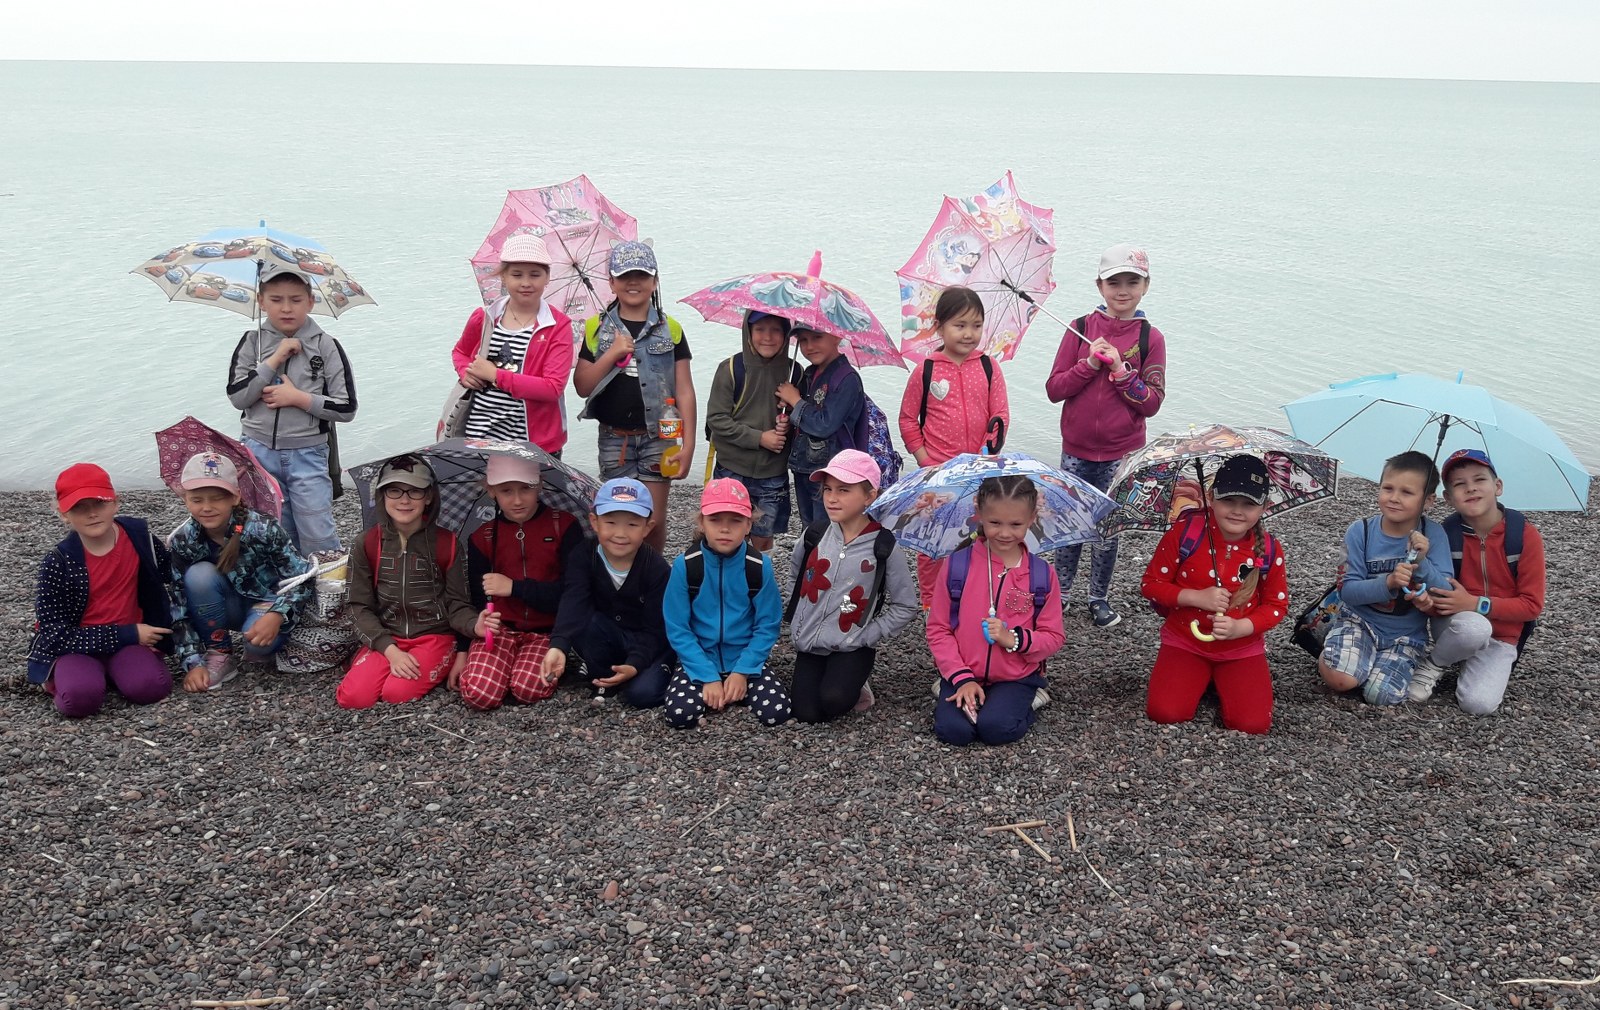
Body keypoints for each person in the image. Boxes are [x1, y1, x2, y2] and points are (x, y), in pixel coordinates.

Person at [1044, 244, 1167, 628]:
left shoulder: (1150, 338)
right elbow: (1054, 389)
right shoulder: (1079, 329)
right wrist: (1087, 365)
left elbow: (1151, 403)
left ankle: (1098, 597)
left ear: (1145, 286)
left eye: (1132, 281)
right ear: (1100, 286)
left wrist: (1119, 370)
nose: (1123, 290)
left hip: (1121, 453)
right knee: (1070, 524)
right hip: (1076, 450)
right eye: (1114, 282)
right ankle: (1061, 594)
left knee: (1107, 530)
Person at [1140, 455, 1289, 734]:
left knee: (1253, 725)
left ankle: (1215, 679)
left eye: (1249, 504)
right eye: (1228, 500)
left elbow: (1276, 605)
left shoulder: (1269, 549)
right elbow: (1151, 584)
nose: (1237, 511)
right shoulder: (1184, 533)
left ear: (1265, 506)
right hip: (1184, 641)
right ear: (1211, 497)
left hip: (1241, 649)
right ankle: (1203, 677)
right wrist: (1194, 597)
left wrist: (1241, 628)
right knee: (1165, 713)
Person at [573, 240, 695, 552]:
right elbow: (582, 386)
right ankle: (621, 575)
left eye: (642, 275)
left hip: (661, 437)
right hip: (615, 439)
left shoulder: (672, 329)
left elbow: (684, 390)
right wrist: (611, 353)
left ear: (655, 281)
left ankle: (651, 576)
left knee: (653, 519)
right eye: (625, 275)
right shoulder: (595, 328)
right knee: (620, 517)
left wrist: (689, 445)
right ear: (611, 282)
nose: (633, 282)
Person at [226, 263, 357, 555]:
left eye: (296, 300)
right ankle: (285, 582)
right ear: (261, 301)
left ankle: (325, 581)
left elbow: (347, 407)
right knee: (272, 532)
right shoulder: (251, 342)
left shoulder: (326, 346)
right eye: (276, 300)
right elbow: (238, 397)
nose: (286, 308)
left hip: (308, 454)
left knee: (318, 534)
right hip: (257, 452)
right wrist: (273, 360)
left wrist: (298, 398)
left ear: (310, 301)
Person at [27, 463, 176, 718]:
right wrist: (129, 633)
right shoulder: (57, 562)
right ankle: (61, 677)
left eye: (99, 503)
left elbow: (174, 574)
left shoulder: (140, 539)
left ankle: (113, 673)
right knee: (79, 701)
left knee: (152, 688)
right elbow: (55, 635)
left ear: (115, 503)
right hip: (77, 647)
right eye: (79, 507)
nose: (92, 514)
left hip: (131, 644)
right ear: (64, 514)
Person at [927, 475, 1065, 746]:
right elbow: (938, 629)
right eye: (994, 523)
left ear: (1032, 518)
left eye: (1016, 524)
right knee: (954, 732)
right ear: (979, 513)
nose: (1004, 533)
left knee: (996, 729)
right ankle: (949, 682)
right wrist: (961, 678)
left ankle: (1032, 696)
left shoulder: (1041, 574)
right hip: (963, 670)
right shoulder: (956, 566)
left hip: (1016, 677)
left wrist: (1013, 639)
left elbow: (1053, 636)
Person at [336, 454, 479, 709]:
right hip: (386, 636)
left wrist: (474, 625)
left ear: (429, 497)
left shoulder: (447, 543)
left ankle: (435, 660)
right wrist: (390, 650)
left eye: (415, 491)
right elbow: (357, 605)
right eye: (394, 490)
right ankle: (372, 658)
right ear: (382, 495)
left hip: (435, 637)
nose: (404, 500)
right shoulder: (366, 543)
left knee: (397, 693)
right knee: (353, 698)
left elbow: (458, 604)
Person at [896, 286, 1010, 607]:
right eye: (960, 325)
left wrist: (985, 457)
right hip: (938, 472)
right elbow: (907, 419)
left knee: (978, 535)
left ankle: (972, 596)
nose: (969, 334)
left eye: (976, 325)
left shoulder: (989, 367)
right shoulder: (926, 370)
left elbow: (1000, 417)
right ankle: (932, 602)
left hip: (980, 471)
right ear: (939, 327)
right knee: (932, 539)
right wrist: (925, 460)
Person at [1409, 449, 1546, 714]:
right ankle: (1435, 663)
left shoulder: (1523, 536)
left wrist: (1474, 603)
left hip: (1503, 636)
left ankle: (1467, 659)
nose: (1471, 488)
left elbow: (1532, 606)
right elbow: (1437, 589)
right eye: (1460, 484)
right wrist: (1427, 602)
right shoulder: (1445, 534)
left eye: (1480, 479)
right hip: (1457, 624)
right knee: (1474, 629)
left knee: (1478, 704)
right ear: (1448, 498)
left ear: (1498, 486)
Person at [786, 450, 918, 723]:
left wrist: (867, 635)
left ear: (870, 496)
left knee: (834, 701)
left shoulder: (883, 546)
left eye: (844, 490)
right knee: (806, 714)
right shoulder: (814, 534)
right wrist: (796, 617)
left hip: (852, 644)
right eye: (828, 489)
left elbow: (905, 605)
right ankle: (831, 675)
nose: (832, 498)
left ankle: (857, 680)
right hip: (809, 642)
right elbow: (794, 576)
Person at [168, 452, 314, 692]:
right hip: (220, 605)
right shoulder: (183, 540)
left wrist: (278, 614)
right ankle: (219, 652)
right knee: (198, 575)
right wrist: (192, 661)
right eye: (197, 500)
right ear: (185, 500)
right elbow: (178, 603)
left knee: (257, 646)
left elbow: (303, 578)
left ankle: (270, 638)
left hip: (267, 602)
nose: (206, 507)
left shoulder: (264, 529)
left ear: (235, 497)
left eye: (217, 499)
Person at [1316, 450, 1454, 704]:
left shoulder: (1434, 535)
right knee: (1342, 680)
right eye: (1388, 488)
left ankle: (1369, 661)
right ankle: (1335, 649)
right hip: (1360, 621)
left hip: (1406, 636)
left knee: (1381, 695)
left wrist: (1421, 564)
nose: (1394, 498)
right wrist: (1388, 583)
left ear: (1428, 500)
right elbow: (1348, 591)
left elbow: (1445, 591)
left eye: (1407, 492)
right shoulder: (1361, 532)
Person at [457, 454, 584, 711]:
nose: (517, 500)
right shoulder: (481, 537)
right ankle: (505, 667)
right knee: (479, 694)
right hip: (500, 630)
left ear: (540, 485)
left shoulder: (564, 526)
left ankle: (520, 668)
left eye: (526, 488)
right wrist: (463, 647)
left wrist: (514, 588)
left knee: (528, 689)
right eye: (506, 491)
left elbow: (574, 593)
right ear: (491, 491)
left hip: (547, 631)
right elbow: (475, 600)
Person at [661, 478, 790, 729]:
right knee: (680, 715)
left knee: (777, 712)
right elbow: (677, 627)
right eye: (715, 520)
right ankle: (717, 686)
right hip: (698, 659)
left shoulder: (758, 567)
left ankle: (735, 685)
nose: (725, 529)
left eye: (735, 521)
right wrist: (707, 676)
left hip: (745, 659)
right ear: (702, 522)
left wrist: (742, 672)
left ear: (748, 524)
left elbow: (768, 625)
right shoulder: (685, 566)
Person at [541, 477, 674, 709]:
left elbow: (656, 628)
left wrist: (635, 663)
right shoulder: (583, 555)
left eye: (632, 524)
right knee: (588, 622)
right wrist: (559, 645)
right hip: (605, 633)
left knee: (642, 696)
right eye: (611, 522)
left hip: (644, 640)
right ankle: (602, 674)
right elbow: (573, 601)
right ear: (594, 522)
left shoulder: (656, 568)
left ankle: (648, 670)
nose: (620, 534)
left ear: (648, 527)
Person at [451, 234, 575, 456]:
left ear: (547, 277)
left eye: (535, 274)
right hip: (479, 436)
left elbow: (552, 388)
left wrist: (495, 375)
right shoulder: (484, 318)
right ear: (503, 277)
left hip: (534, 444)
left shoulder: (558, 326)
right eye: (517, 275)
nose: (526, 283)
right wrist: (464, 372)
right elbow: (460, 352)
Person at [705, 311, 798, 552]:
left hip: (773, 473)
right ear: (748, 331)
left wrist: (790, 420)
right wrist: (760, 438)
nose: (767, 337)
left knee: (764, 538)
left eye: (776, 330)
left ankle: (759, 573)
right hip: (731, 468)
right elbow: (716, 420)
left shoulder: (794, 372)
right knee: (728, 536)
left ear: (786, 334)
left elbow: (804, 420)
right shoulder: (731, 369)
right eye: (760, 329)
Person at [779, 325, 863, 527]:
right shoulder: (810, 373)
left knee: (826, 526)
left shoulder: (847, 379)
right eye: (803, 340)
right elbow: (805, 417)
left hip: (831, 472)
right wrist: (788, 414)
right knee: (808, 524)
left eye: (817, 337)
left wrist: (796, 400)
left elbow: (825, 424)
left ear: (837, 336)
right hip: (803, 466)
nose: (809, 346)